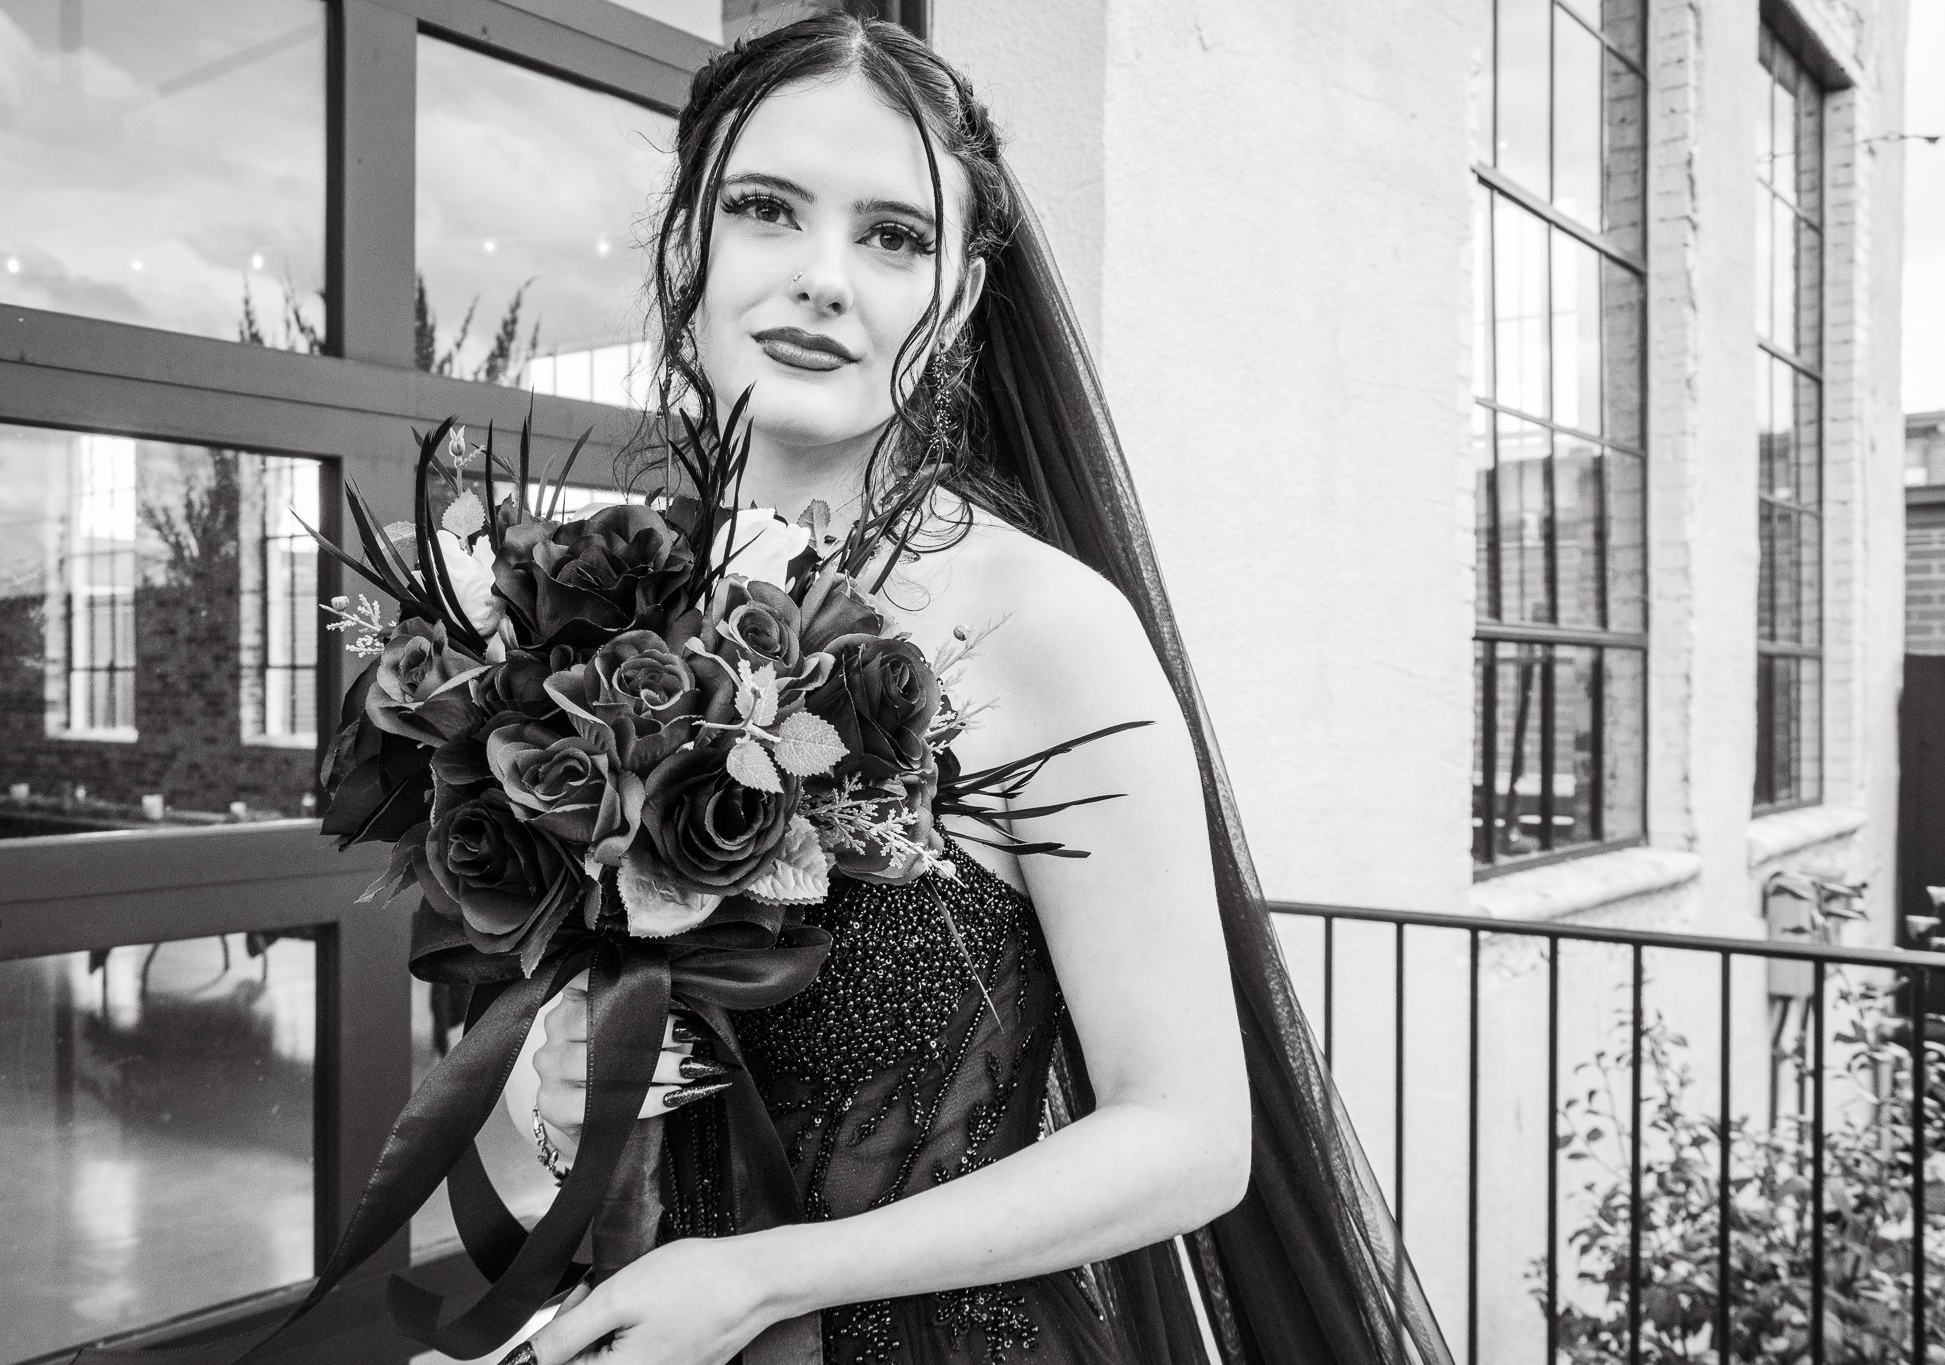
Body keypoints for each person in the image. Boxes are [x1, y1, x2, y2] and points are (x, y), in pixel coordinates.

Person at [500, 15, 1449, 1365]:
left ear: (956, 292)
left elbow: (1189, 1136)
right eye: (766, 209)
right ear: (683, 248)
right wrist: (571, 1087)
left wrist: (767, 1278)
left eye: (893, 235)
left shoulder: (1048, 627)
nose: (825, 279)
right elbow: (599, 1104)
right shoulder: (621, 619)